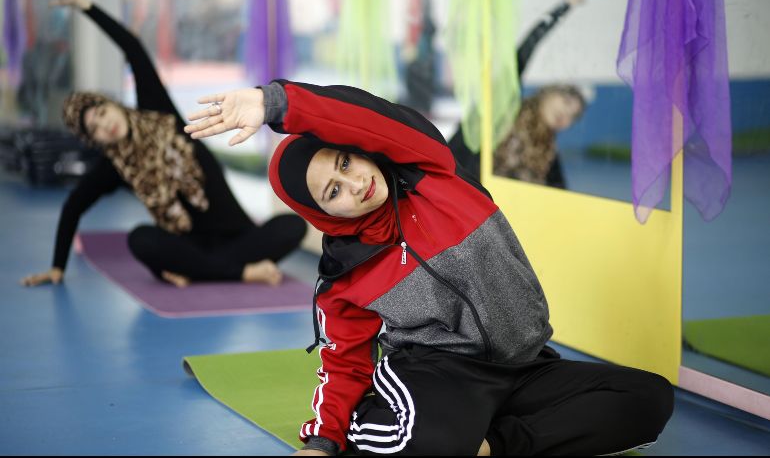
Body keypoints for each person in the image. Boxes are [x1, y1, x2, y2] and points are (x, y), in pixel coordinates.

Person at [184, 80, 674, 456]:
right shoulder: (345, 275)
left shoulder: (432, 173)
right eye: (332, 192)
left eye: (346, 163)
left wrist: (273, 104)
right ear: (322, 214)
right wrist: (322, 443)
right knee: (421, 436)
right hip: (441, 374)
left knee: (649, 398)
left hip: (524, 365)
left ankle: (489, 446)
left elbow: (370, 116)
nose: (354, 185)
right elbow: (343, 363)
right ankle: (461, 437)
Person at [20, 0, 305, 289]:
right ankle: (241, 272)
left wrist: (83, 4)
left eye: (102, 114)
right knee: (141, 240)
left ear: (111, 105)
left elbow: (132, 47)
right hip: (190, 248)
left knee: (292, 226)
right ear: (94, 141)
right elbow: (72, 206)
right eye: (95, 131)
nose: (105, 126)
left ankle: (206, 271)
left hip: (241, 237)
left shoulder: (158, 111)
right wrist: (57, 268)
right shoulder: (115, 166)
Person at [448, 0, 606, 189]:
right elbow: (528, 45)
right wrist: (568, 3)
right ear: (548, 93)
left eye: (573, 116)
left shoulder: (547, 150)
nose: (565, 114)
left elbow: (560, 196)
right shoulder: (505, 107)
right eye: (566, 101)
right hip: (457, 189)